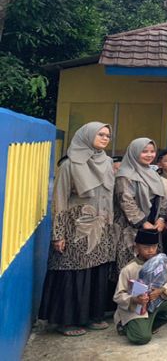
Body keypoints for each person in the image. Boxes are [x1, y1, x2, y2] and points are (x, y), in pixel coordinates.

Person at [39, 122, 116, 337]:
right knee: (72, 273)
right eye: (100, 134)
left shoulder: (108, 162)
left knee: (95, 273)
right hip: (75, 229)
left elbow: (109, 198)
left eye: (107, 135)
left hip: (101, 229)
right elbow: (60, 200)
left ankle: (92, 315)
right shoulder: (70, 164)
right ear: (86, 135)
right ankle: (67, 321)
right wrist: (58, 234)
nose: (104, 138)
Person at [113, 229, 167, 344]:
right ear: (137, 247)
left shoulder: (159, 264)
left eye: (154, 247)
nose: (151, 251)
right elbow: (118, 296)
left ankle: (149, 325)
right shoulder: (128, 269)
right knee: (142, 338)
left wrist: (161, 290)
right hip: (135, 308)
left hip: (155, 304)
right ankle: (125, 326)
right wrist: (136, 299)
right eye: (146, 247)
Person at [114, 138, 166, 270]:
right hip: (131, 228)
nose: (149, 155)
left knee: (151, 268)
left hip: (152, 227)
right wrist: (142, 222)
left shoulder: (153, 174)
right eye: (144, 151)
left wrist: (161, 218)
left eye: (152, 151)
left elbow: (162, 198)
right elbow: (126, 201)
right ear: (134, 152)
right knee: (130, 267)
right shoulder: (125, 174)